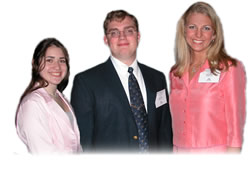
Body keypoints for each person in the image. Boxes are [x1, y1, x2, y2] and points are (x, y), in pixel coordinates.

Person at [71, 10, 173, 152]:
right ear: (106, 40)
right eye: (114, 32)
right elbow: (84, 142)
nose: (122, 37)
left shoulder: (157, 78)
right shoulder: (86, 82)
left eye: (129, 31)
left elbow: (165, 132)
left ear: (138, 36)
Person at [169, 2, 246, 153]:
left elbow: (235, 122)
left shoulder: (228, 69)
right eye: (192, 27)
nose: (198, 34)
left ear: (214, 34)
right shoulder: (175, 73)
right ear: (184, 31)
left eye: (206, 28)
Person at [15, 38, 82, 154]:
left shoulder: (61, 98)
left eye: (62, 60)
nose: (57, 66)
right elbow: (44, 154)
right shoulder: (32, 104)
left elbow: (76, 146)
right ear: (35, 63)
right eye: (49, 60)